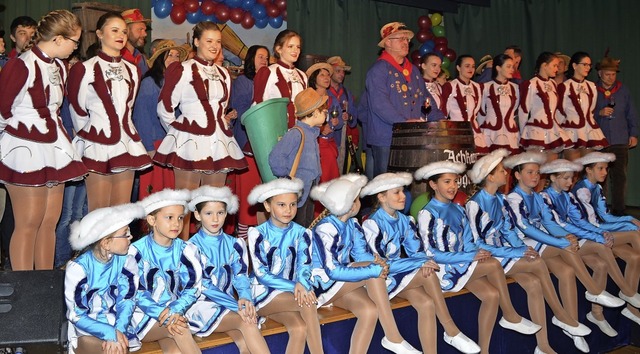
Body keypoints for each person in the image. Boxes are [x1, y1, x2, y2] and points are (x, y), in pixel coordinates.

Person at [467, 151, 591, 354]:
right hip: (491, 257)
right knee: (538, 263)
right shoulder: (474, 203)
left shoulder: (500, 199)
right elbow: (476, 243)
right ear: (489, 176)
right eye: (500, 171)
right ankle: (560, 314)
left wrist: (521, 248)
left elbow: (508, 229)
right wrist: (514, 251)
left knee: (534, 283)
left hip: (506, 252)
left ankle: (542, 345)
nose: (504, 173)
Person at [503, 151, 624, 352]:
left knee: (567, 272)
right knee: (567, 249)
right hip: (525, 245)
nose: (534, 176)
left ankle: (572, 326)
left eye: (536, 172)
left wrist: (564, 236)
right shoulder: (514, 198)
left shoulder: (536, 196)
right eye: (530, 172)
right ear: (517, 175)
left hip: (543, 244)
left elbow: (550, 222)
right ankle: (593, 292)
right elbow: (526, 228)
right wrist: (559, 241)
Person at [413, 164, 540, 354]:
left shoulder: (458, 210)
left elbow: (468, 242)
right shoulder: (427, 213)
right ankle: (509, 314)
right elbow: (430, 252)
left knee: (492, 295)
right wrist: (469, 256)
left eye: (455, 181)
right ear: (433, 184)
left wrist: (476, 253)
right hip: (443, 269)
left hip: (463, 265)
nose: (453, 186)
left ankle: (485, 351)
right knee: (493, 263)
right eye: (447, 182)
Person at [0, 10, 87, 270]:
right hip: (24, 146)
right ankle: (25, 290)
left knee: (49, 220)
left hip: (55, 146)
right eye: (74, 42)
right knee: (28, 222)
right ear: (59, 39)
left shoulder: (58, 66)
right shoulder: (21, 64)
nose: (75, 48)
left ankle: (45, 285)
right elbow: (3, 109)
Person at [310, 174, 433, 354]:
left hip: (340, 285)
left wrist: (378, 262)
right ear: (349, 204)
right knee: (372, 273)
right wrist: (373, 268)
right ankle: (392, 336)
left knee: (369, 311)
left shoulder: (352, 224)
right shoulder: (326, 228)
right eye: (357, 199)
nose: (360, 202)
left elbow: (362, 256)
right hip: (322, 285)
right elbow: (332, 270)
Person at [360, 172, 481, 354]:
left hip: (400, 276)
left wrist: (422, 261)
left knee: (427, 303)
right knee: (428, 272)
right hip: (381, 281)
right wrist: (418, 264)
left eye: (403, 192)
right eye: (397, 193)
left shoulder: (404, 220)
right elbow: (380, 265)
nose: (404, 197)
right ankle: (450, 329)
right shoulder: (371, 224)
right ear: (381, 197)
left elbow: (416, 251)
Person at [153, 21, 247, 239]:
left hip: (219, 143)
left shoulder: (224, 73)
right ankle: (181, 256)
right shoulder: (182, 69)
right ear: (196, 42)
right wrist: (178, 133)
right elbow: (165, 107)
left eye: (218, 42)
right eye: (209, 41)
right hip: (189, 141)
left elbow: (221, 108)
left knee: (214, 204)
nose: (214, 46)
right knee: (184, 207)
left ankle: (208, 254)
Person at [541, 158, 640, 338]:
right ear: (553, 178)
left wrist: (621, 224)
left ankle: (597, 312)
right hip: (554, 244)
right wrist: (598, 235)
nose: (570, 183)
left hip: (576, 238)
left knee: (609, 261)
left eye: (571, 178)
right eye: (565, 178)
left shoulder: (569, 195)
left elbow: (583, 221)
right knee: (614, 243)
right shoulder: (547, 196)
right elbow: (559, 225)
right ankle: (625, 291)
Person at [68, 12, 151, 211]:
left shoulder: (133, 69)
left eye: (123, 31)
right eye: (114, 30)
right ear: (99, 33)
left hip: (127, 143)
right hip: (96, 143)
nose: (120, 35)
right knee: (98, 210)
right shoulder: (84, 68)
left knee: (122, 210)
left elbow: (129, 105)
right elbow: (77, 108)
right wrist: (89, 134)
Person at [185, 186, 270, 353]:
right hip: (202, 306)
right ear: (197, 215)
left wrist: (245, 297)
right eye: (209, 213)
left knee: (244, 342)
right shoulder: (191, 247)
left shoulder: (234, 244)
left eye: (220, 213)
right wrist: (236, 305)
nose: (215, 219)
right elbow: (203, 285)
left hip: (229, 306)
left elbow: (240, 275)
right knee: (247, 323)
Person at [246, 178, 324, 354]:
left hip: (290, 294)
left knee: (299, 329)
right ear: (267, 206)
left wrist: (302, 283)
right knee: (308, 304)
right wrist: (295, 286)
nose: (288, 210)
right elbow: (261, 274)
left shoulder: (302, 233)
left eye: (293, 204)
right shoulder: (257, 234)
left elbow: (305, 265)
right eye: (281, 205)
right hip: (262, 292)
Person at [65, 203, 145, 354]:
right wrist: (109, 333)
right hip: (86, 328)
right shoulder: (78, 268)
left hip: (117, 322)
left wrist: (118, 331)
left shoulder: (126, 260)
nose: (131, 237)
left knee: (118, 346)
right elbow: (76, 314)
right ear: (106, 243)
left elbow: (127, 299)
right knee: (118, 349)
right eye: (125, 234)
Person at [130, 189, 202, 354]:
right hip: (142, 315)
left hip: (175, 312)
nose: (176, 223)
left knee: (174, 350)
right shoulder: (136, 252)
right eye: (169, 217)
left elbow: (194, 286)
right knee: (179, 328)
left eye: (180, 218)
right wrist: (162, 312)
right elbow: (135, 291)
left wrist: (176, 308)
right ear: (152, 219)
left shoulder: (186, 250)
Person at [572, 152, 640, 327]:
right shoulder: (582, 190)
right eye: (600, 168)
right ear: (588, 170)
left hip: (600, 233)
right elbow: (590, 225)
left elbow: (605, 217)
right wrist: (630, 226)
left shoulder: (597, 188)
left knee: (634, 257)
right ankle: (626, 292)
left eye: (606, 169)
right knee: (633, 233)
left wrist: (628, 220)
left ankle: (631, 308)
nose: (605, 172)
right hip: (585, 237)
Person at [365, 22, 428, 177]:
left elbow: (425, 98)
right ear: (387, 42)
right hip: (387, 138)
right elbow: (380, 105)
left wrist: (440, 119)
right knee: (388, 185)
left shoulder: (413, 71)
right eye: (401, 39)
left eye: (407, 40)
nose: (406, 42)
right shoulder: (378, 70)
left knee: (408, 184)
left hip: (411, 137)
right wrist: (404, 124)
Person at [131, 40, 188, 201]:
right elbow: (141, 117)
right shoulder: (149, 83)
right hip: (156, 143)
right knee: (155, 192)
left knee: (172, 191)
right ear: (159, 58)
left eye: (177, 56)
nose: (174, 59)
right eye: (170, 55)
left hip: (175, 144)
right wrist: (148, 147)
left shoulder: (180, 83)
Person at [230, 45, 270, 239]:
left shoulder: (270, 81)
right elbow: (243, 111)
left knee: (263, 191)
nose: (264, 60)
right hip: (247, 143)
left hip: (266, 145)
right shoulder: (243, 82)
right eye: (260, 56)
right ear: (251, 59)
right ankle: (243, 235)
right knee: (248, 190)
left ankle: (261, 233)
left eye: (267, 57)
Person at [269, 88, 325, 227]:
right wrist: (287, 177)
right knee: (297, 223)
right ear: (315, 112)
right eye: (324, 111)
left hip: (309, 186)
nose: (326, 114)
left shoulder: (312, 134)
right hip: (299, 189)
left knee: (308, 223)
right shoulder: (296, 133)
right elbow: (275, 157)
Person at [594, 56, 639, 216]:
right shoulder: (592, 90)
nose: (611, 77)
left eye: (613, 74)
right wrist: (598, 113)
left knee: (620, 177)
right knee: (600, 178)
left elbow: (631, 113)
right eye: (607, 74)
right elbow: (583, 114)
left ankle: (619, 210)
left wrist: (633, 133)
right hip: (599, 140)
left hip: (620, 139)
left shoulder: (623, 90)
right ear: (599, 73)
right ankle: (601, 210)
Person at [557, 52, 608, 161]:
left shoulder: (592, 86)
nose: (588, 68)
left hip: (588, 130)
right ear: (574, 66)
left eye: (589, 65)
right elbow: (560, 111)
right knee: (573, 169)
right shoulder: (564, 86)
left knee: (587, 167)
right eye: (584, 64)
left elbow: (592, 109)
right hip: (571, 131)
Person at [518, 52, 571, 156]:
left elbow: (555, 110)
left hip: (552, 130)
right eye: (554, 65)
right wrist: (523, 133)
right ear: (544, 65)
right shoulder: (531, 84)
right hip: (536, 131)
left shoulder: (553, 84)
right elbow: (523, 110)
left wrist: (558, 127)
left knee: (552, 167)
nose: (557, 69)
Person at [253, 29, 307, 128]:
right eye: (290, 46)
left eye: (298, 47)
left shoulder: (302, 76)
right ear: (279, 49)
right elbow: (257, 107)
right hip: (276, 131)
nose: (295, 50)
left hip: (300, 132)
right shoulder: (268, 72)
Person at [477, 54, 521, 154]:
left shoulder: (516, 88)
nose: (512, 70)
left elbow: (514, 110)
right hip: (491, 133)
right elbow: (481, 113)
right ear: (498, 68)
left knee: (509, 164)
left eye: (513, 67)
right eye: (508, 66)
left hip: (510, 133)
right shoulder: (486, 87)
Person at [441, 55, 485, 152]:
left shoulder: (477, 87)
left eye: (473, 66)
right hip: (456, 131)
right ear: (458, 68)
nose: (471, 69)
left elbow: (476, 111)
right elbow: (444, 112)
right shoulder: (450, 86)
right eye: (467, 66)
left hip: (475, 132)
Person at [307, 62, 339, 186]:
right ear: (314, 79)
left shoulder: (332, 98)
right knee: (322, 181)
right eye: (322, 75)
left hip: (331, 143)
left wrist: (335, 124)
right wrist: (320, 128)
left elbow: (339, 120)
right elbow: (305, 121)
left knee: (332, 181)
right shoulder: (309, 98)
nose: (327, 78)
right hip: (316, 144)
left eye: (328, 75)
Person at [326, 56, 359, 166]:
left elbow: (354, 119)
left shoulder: (346, 93)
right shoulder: (323, 91)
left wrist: (348, 117)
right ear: (330, 73)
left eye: (343, 72)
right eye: (338, 71)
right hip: (325, 140)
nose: (342, 74)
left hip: (341, 141)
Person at [120, 9, 150, 75]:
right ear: (126, 31)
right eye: (140, 29)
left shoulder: (141, 58)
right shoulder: (116, 58)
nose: (145, 34)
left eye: (145, 30)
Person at [419, 53, 446, 121]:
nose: (438, 69)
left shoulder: (438, 87)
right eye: (434, 65)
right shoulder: (416, 85)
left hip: (437, 126)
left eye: (439, 66)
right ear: (424, 66)